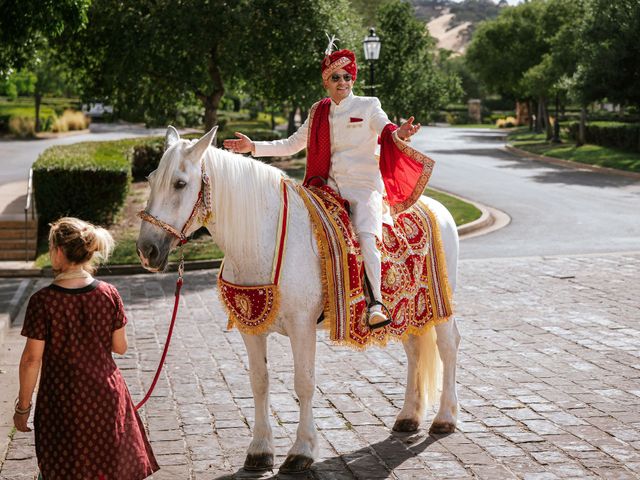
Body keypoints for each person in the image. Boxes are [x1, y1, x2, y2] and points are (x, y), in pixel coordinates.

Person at [223, 44, 431, 330]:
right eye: (335, 78)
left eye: (347, 77)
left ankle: (376, 303)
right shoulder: (318, 111)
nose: (342, 83)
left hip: (363, 189)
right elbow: (292, 144)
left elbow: (386, 129)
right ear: (326, 82)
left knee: (367, 238)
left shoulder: (369, 106)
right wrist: (253, 147)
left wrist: (400, 133)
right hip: (325, 188)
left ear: (353, 79)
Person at [13, 217, 159, 480]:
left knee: (66, 467)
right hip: (106, 398)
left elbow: (31, 360)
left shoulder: (43, 302)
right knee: (110, 467)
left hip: (63, 402)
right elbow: (120, 347)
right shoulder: (109, 293)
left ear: (58, 252)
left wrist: (23, 408)